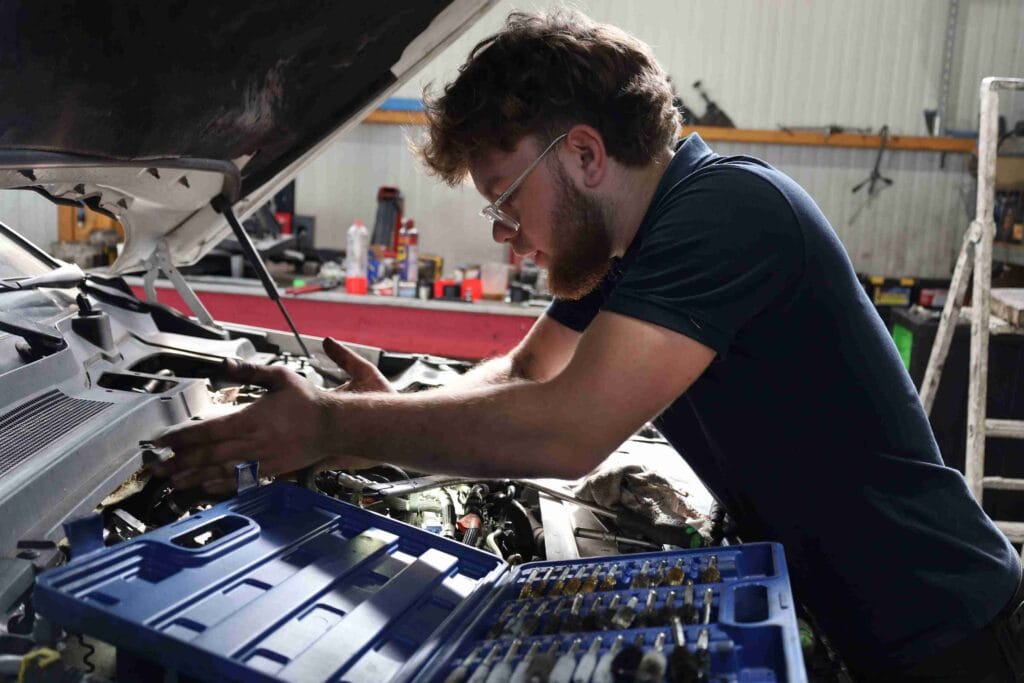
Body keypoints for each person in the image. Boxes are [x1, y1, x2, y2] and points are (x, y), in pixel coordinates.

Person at [151, 9, 1023, 680]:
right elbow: (528, 369)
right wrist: (394, 413)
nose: (504, 235)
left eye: (504, 198)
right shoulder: (630, 244)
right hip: (846, 614)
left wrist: (335, 425)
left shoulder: (726, 214)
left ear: (583, 153)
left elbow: (566, 430)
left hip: (943, 629)